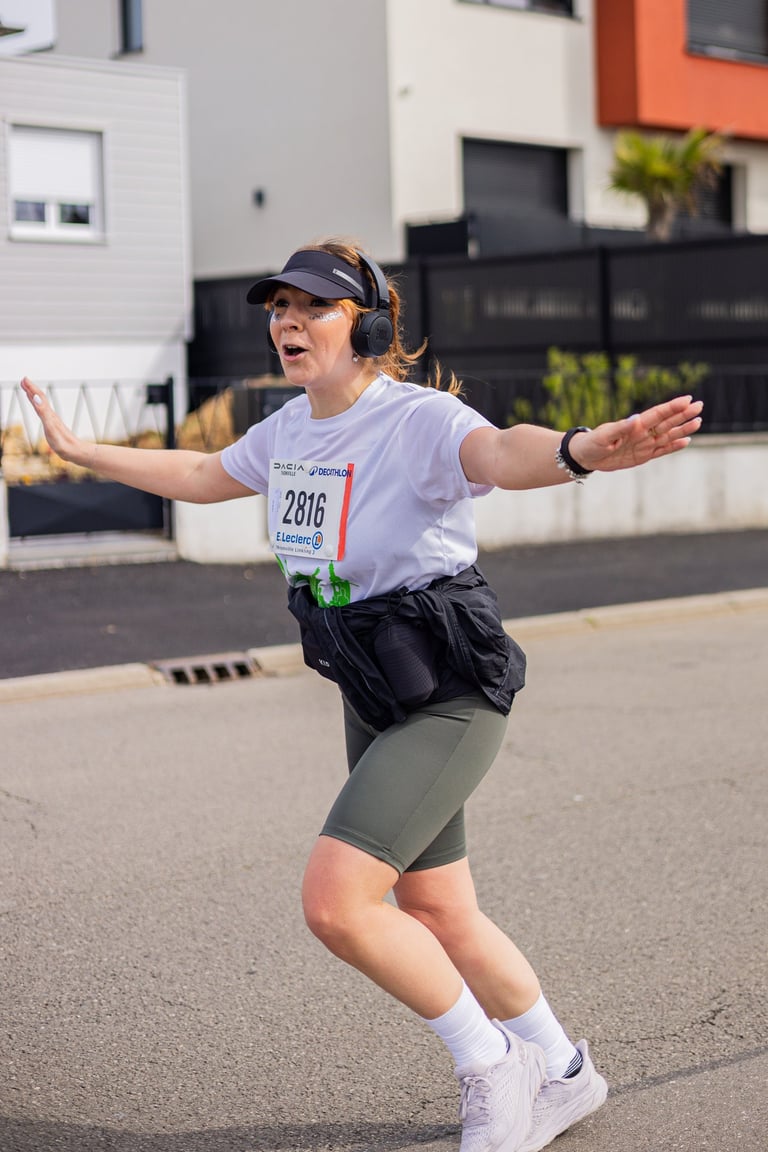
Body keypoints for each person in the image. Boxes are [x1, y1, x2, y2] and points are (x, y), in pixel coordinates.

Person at [21, 238, 703, 1152]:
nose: (289, 322)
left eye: (316, 307)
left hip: (449, 687)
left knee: (337, 902)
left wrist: (579, 452)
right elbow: (201, 474)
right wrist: (77, 449)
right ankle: (566, 1073)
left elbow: (502, 451)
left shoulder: (415, 419)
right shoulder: (288, 430)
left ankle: (492, 1064)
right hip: (371, 684)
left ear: (371, 326)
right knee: (442, 911)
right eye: (279, 307)